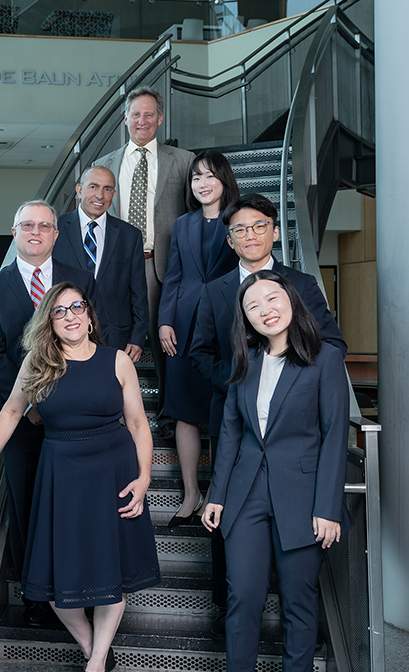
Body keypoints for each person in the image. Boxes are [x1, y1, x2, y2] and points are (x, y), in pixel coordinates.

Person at [0, 282, 161, 672]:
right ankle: (94, 648)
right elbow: (9, 412)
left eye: (77, 307)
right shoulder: (38, 362)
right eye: (59, 311)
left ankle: (96, 663)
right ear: (49, 323)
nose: (70, 315)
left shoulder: (117, 361)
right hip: (62, 475)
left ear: (89, 317)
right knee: (53, 584)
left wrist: (144, 478)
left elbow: (139, 424)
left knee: (114, 576)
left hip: (114, 471)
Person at [188, 192, 346, 637]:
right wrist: (242, 380)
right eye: (240, 229)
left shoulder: (301, 284)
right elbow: (199, 350)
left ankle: (299, 613)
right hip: (236, 420)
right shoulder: (215, 290)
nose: (250, 235)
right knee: (231, 518)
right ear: (231, 240)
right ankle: (229, 606)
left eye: (259, 226)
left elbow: (332, 345)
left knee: (294, 548)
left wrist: (288, 372)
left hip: (297, 423)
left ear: (275, 231)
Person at [201, 270, 351, 672]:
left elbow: (335, 435)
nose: (264, 310)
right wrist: (216, 495)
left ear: (290, 300)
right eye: (252, 306)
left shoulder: (325, 358)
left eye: (272, 299)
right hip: (245, 494)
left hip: (303, 498)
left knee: (298, 603)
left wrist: (329, 507)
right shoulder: (245, 360)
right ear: (245, 318)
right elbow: (231, 433)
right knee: (243, 597)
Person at [0, 199, 97, 627]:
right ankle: (35, 596)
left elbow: (94, 342)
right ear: (15, 233)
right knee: (29, 510)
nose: (35, 232)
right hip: (24, 423)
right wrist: (30, 404)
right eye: (26, 225)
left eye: (44, 226)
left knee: (78, 509)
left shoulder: (80, 280)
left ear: (56, 234)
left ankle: (82, 589)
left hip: (79, 422)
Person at [94, 86, 195, 417]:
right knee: (110, 344)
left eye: (149, 114)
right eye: (135, 114)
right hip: (115, 268)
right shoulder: (104, 164)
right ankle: (112, 413)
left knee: (168, 345)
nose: (142, 120)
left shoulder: (183, 161)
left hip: (160, 266)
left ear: (160, 118)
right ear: (125, 119)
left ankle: (169, 413)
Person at [157, 150, 241, 526]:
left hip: (227, 326)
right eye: (196, 178)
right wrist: (164, 322)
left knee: (221, 411)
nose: (202, 184)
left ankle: (217, 493)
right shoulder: (183, 224)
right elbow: (173, 276)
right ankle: (191, 493)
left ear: (224, 180)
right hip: (183, 323)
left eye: (210, 176)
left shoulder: (238, 222)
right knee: (185, 414)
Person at [53, 166, 149, 362]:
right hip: (64, 334)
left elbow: (138, 291)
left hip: (114, 337)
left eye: (107, 189)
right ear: (79, 190)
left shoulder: (130, 235)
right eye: (93, 187)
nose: (100, 195)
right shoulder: (55, 229)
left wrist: (138, 338)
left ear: (113, 194)